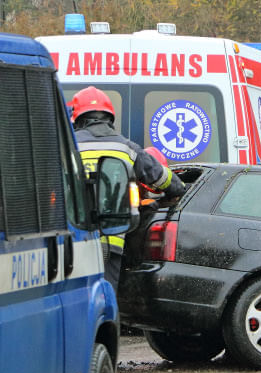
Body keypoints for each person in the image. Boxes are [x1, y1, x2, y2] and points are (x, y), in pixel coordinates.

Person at [69, 86, 186, 290]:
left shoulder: (68, 147)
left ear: (78, 118)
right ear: (109, 117)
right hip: (111, 243)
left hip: (72, 244)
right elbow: (162, 178)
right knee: (104, 299)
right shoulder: (126, 147)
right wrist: (179, 190)